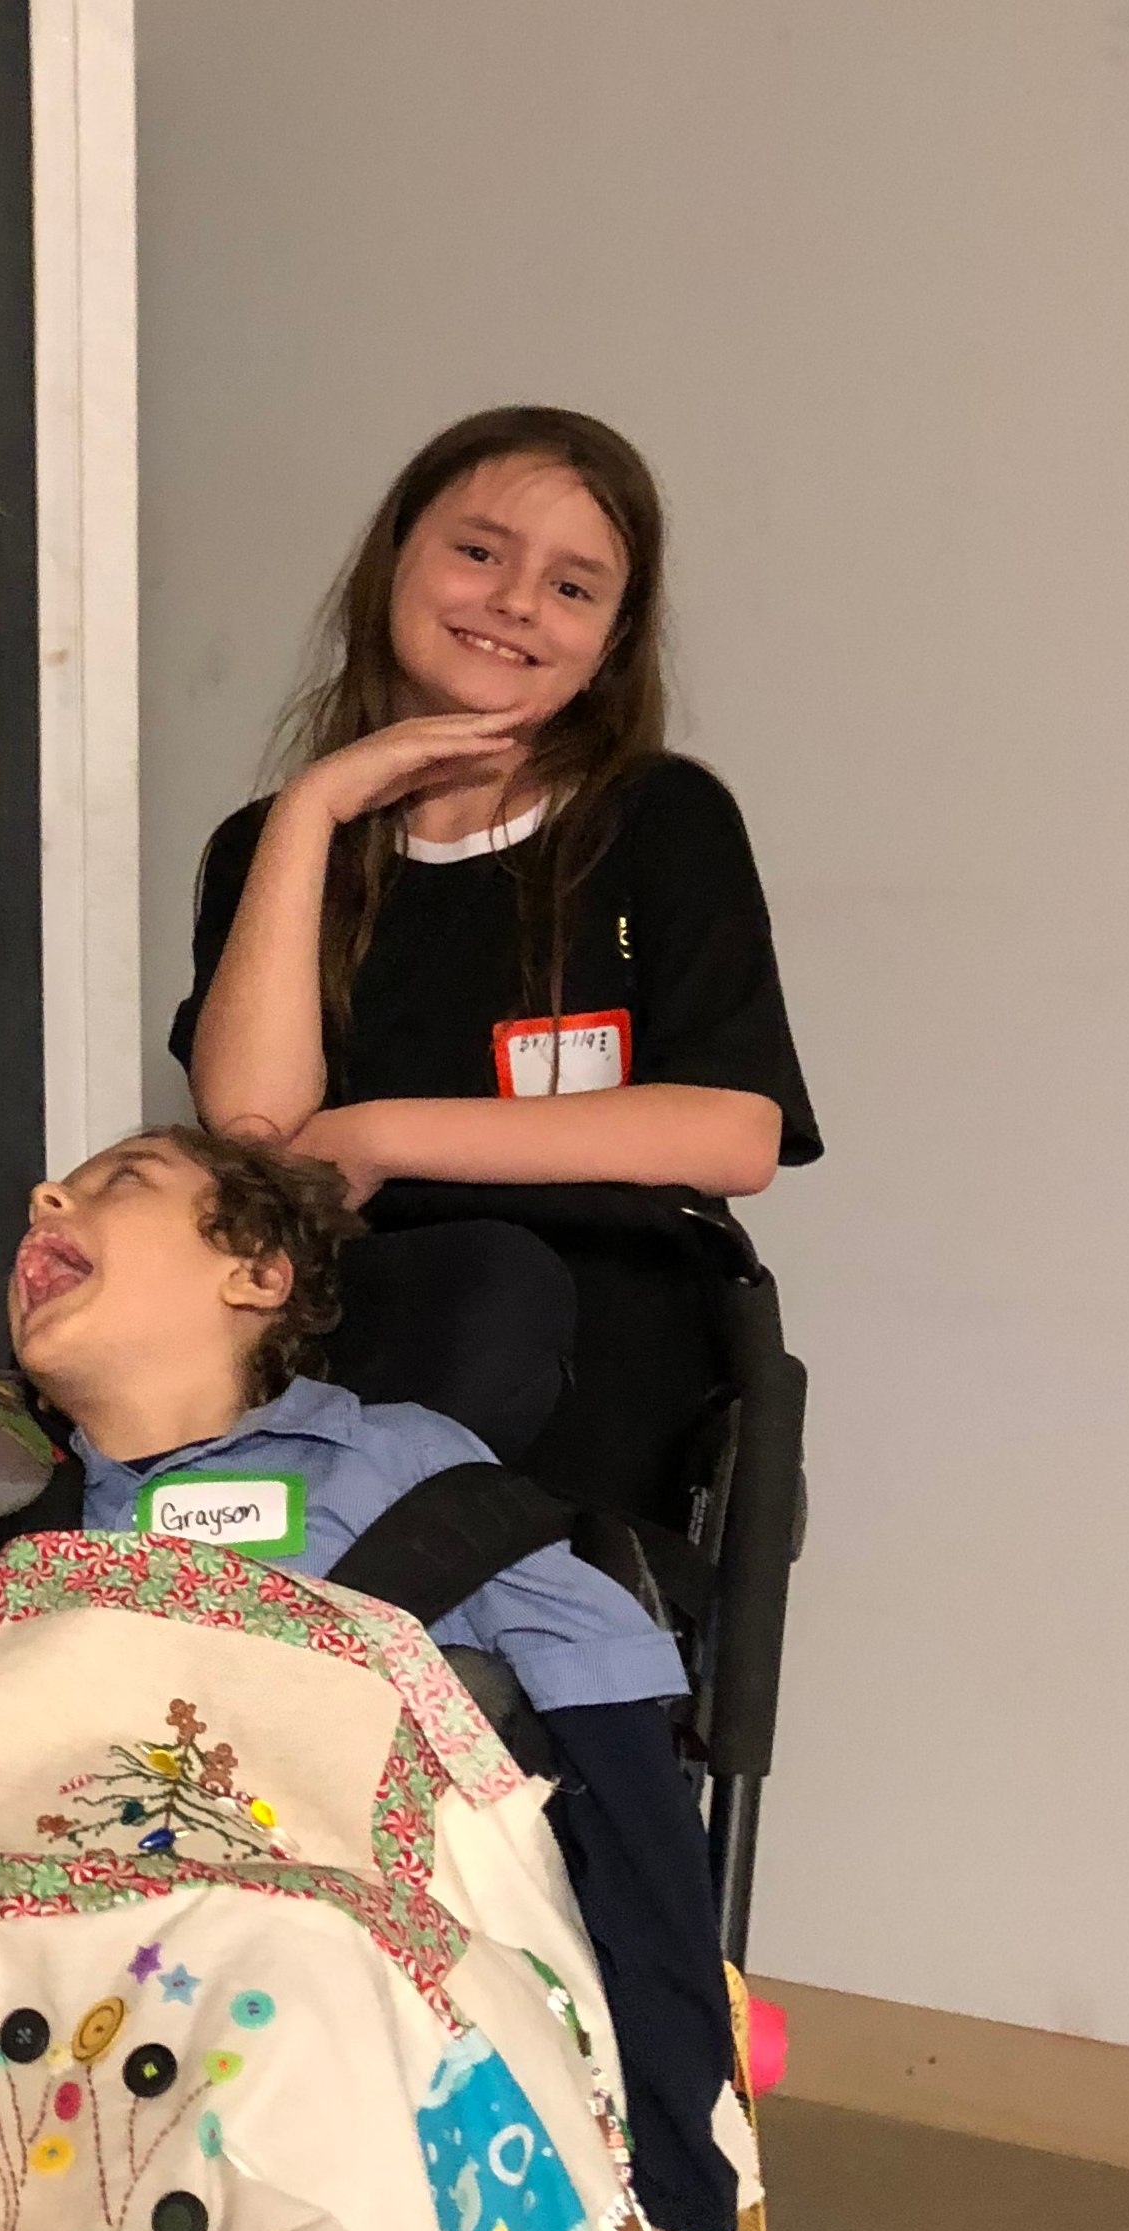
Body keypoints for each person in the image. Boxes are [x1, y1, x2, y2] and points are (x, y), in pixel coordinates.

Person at [0, 1126, 738, 2231]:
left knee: (282, 1974)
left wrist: (678, 2169)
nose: (46, 1197)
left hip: (327, 1984)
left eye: (120, 1182)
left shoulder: (415, 1480)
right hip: (20, 2001)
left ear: (257, 1274)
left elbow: (627, 1795)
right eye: (56, 1190)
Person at [177, 406, 819, 1516]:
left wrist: (382, 1135)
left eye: (573, 587)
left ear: (612, 642)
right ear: (392, 565)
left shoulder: (660, 818)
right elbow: (258, 1138)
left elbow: (733, 1132)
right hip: (340, 1370)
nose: (517, 603)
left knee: (502, 1297)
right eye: (478, 553)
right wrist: (315, 807)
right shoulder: (270, 847)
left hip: (599, 1377)